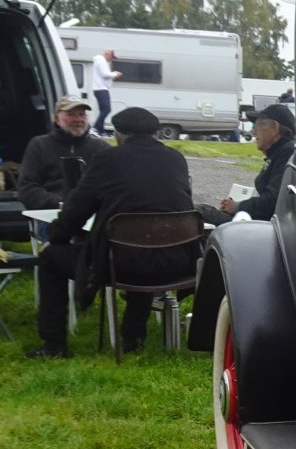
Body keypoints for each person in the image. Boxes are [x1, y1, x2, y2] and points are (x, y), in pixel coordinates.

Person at [27, 107, 195, 359]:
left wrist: (55, 238)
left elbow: (77, 209)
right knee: (145, 242)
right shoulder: (176, 158)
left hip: (122, 265)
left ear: (118, 134)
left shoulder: (107, 159)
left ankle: (54, 346)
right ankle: (133, 336)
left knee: (51, 259)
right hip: (176, 263)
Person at [198, 104, 296, 226]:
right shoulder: (280, 152)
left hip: (266, 226)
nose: (254, 132)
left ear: (275, 128)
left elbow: (271, 201)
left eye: (258, 125)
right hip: (264, 221)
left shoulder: (285, 153)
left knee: (199, 212)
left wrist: (237, 207)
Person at [17, 95, 113, 216]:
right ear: (57, 119)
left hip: (91, 215)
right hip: (51, 214)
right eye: (71, 114)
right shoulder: (39, 145)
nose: (78, 119)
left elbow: (113, 186)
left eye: (82, 114)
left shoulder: (101, 148)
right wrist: (61, 204)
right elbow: (26, 188)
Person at [91, 49, 122, 135]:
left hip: (99, 89)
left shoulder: (100, 61)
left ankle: (101, 131)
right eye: (112, 57)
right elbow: (105, 74)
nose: (111, 59)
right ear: (107, 54)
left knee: (103, 110)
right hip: (101, 89)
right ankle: (95, 128)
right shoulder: (101, 60)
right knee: (107, 109)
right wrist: (115, 74)